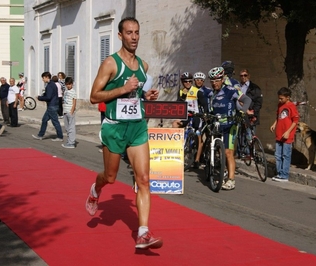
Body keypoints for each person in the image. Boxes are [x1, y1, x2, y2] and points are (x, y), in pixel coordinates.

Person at [87, 17, 163, 249]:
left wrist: (144, 97)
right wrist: (123, 88)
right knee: (110, 178)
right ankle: (95, 189)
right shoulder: (111, 64)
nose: (134, 37)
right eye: (129, 33)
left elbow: (136, 95)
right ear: (120, 35)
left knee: (144, 180)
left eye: (137, 32)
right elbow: (93, 97)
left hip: (137, 127)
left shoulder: (143, 66)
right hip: (115, 128)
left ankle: (143, 233)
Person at [208, 66, 252, 190]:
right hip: (217, 125)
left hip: (230, 124)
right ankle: (223, 171)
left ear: (222, 79)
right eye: (212, 80)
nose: (214, 83)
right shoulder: (212, 94)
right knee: (220, 151)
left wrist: (242, 113)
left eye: (217, 80)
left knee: (228, 152)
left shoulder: (230, 90)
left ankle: (231, 180)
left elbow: (247, 100)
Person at [172, 72, 208, 169]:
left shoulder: (197, 91)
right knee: (175, 124)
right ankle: (176, 147)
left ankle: (196, 160)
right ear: (182, 82)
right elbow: (178, 104)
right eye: (185, 81)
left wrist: (205, 114)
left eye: (189, 81)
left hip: (196, 115)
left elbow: (204, 104)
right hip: (185, 116)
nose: (187, 83)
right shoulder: (180, 91)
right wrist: (183, 96)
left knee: (199, 136)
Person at [269, 87, 299, 182]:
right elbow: (278, 117)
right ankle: (279, 173)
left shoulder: (291, 106)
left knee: (285, 155)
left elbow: (295, 121)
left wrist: (288, 132)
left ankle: (284, 175)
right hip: (279, 133)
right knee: (278, 155)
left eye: (282, 98)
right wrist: (274, 124)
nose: (280, 100)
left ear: (288, 97)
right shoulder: (280, 105)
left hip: (287, 135)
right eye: (279, 98)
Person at [32, 72, 64, 141]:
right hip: (52, 105)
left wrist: (40, 98)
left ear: (47, 77)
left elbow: (48, 97)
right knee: (44, 120)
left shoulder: (50, 85)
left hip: (52, 106)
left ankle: (60, 136)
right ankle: (40, 135)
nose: (42, 80)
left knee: (55, 122)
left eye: (43, 78)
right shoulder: (52, 84)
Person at [62, 77, 77, 149]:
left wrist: (72, 111)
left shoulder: (73, 92)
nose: (68, 86)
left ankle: (72, 143)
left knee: (71, 127)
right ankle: (69, 141)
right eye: (67, 84)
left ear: (72, 84)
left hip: (70, 111)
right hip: (65, 111)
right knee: (67, 127)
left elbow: (74, 102)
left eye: (69, 84)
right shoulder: (66, 91)